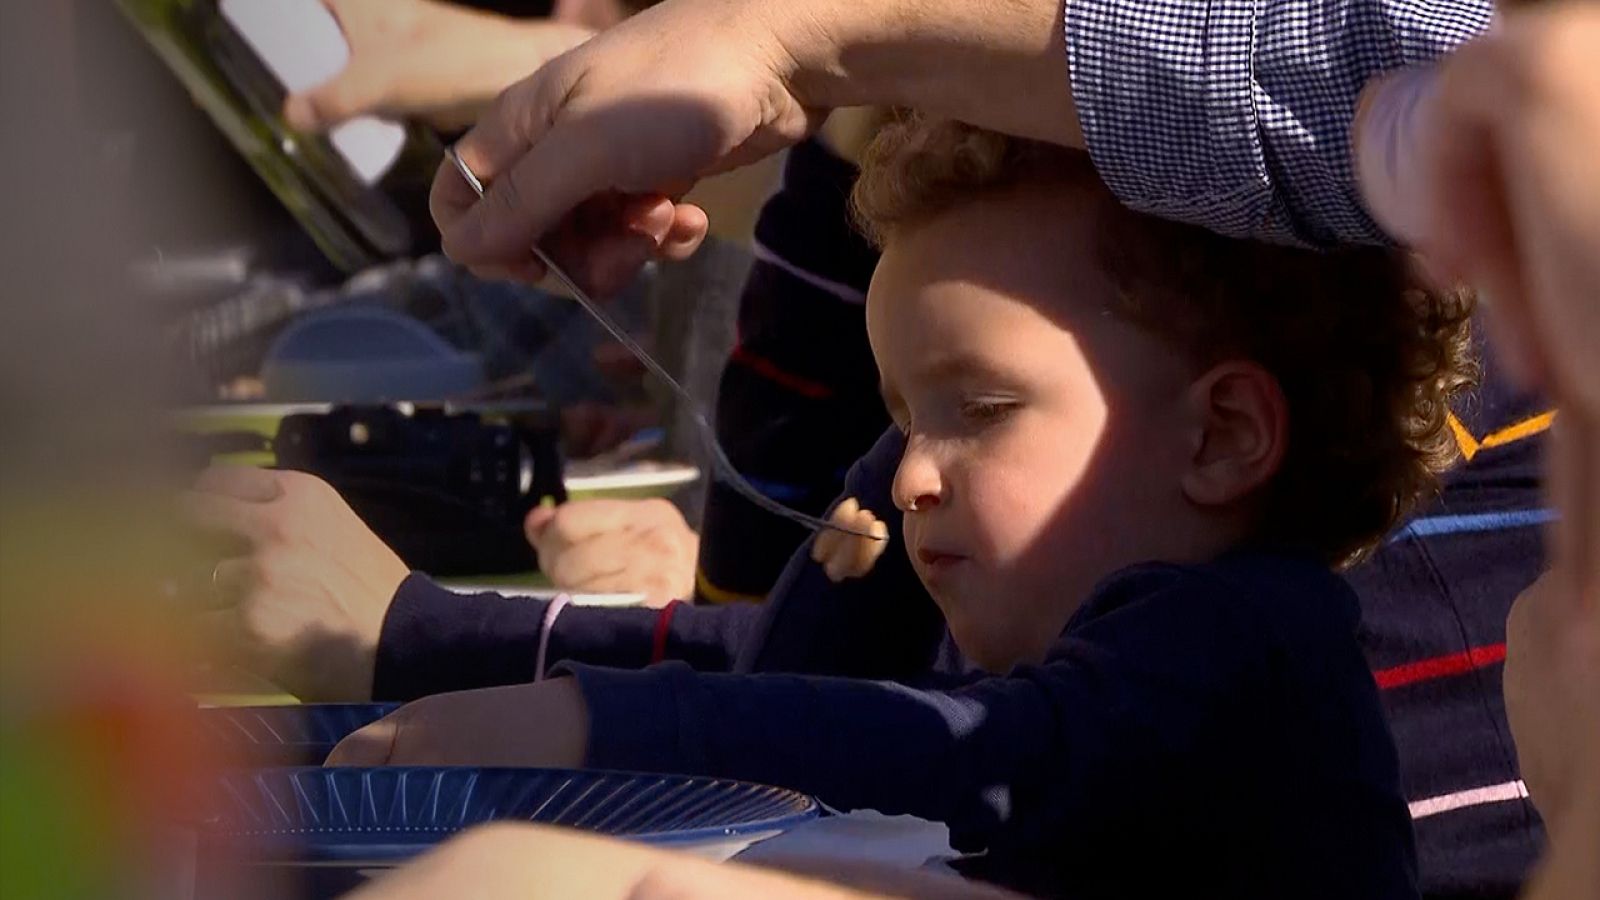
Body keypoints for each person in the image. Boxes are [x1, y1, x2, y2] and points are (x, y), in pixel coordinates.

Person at [316, 116, 1481, 899]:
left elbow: (977, 757)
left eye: (979, 405)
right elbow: (808, 695)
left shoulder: (1243, 636)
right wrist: (877, 502)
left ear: (1220, 436)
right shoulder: (1099, 634)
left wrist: (591, 723)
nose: (916, 471)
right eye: (899, 415)